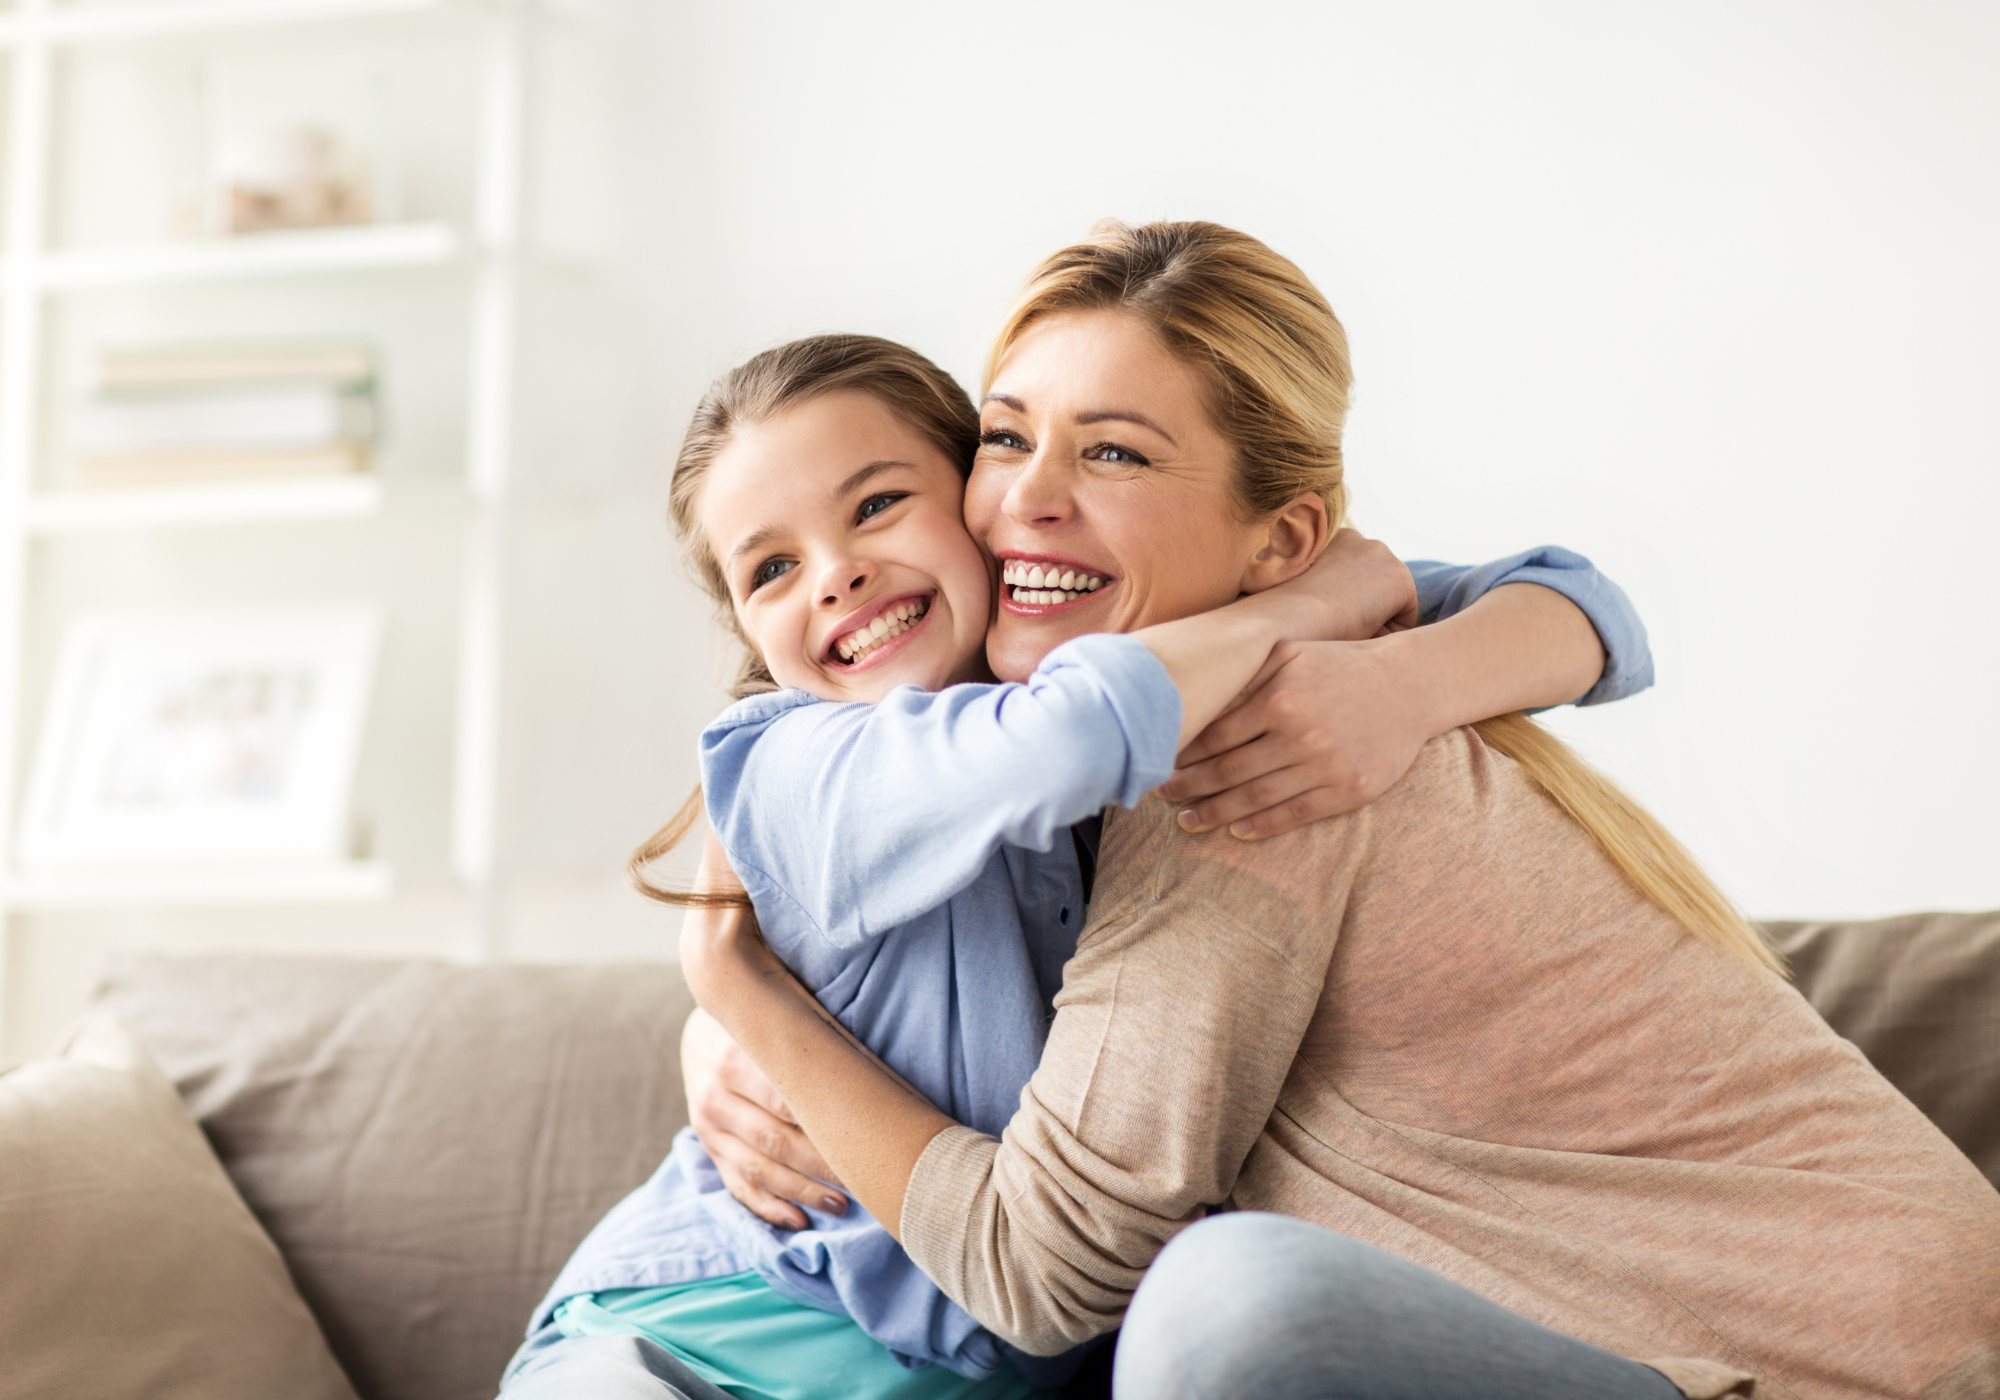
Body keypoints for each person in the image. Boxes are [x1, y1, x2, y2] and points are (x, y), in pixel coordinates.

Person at [678, 220, 2000, 1400]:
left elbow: (1038, 1274)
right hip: (1669, 1345)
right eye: (1008, 437)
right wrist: (712, 1043)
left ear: (1279, 543)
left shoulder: (1265, 753)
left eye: (1115, 452)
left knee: (1228, 1304)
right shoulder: (1237, 683)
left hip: (1852, 1363)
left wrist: (748, 997)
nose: (1027, 498)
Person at [502, 323, 1656, 1394]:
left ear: (979, 506)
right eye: (769, 569)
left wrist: (1400, 677)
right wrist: (1305, 608)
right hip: (697, 1338)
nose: (835, 574)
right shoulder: (798, 762)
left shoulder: (1107, 677)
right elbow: (1071, 734)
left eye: (878, 504)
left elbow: (1582, 605)